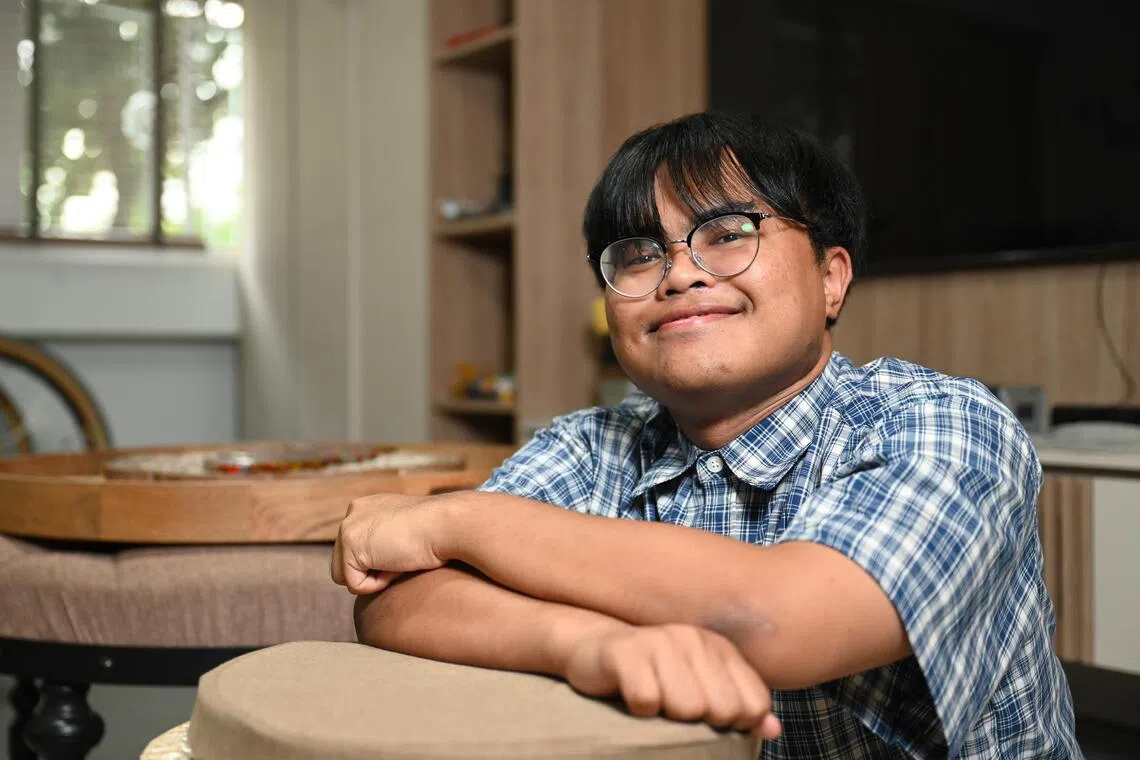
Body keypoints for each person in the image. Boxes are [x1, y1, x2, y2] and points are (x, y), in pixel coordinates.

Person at [332, 112, 1081, 758]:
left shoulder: (944, 421)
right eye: (639, 254)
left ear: (831, 278)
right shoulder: (591, 445)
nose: (679, 274)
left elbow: (779, 619)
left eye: (726, 234)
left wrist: (462, 518)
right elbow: (397, 601)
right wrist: (586, 644)